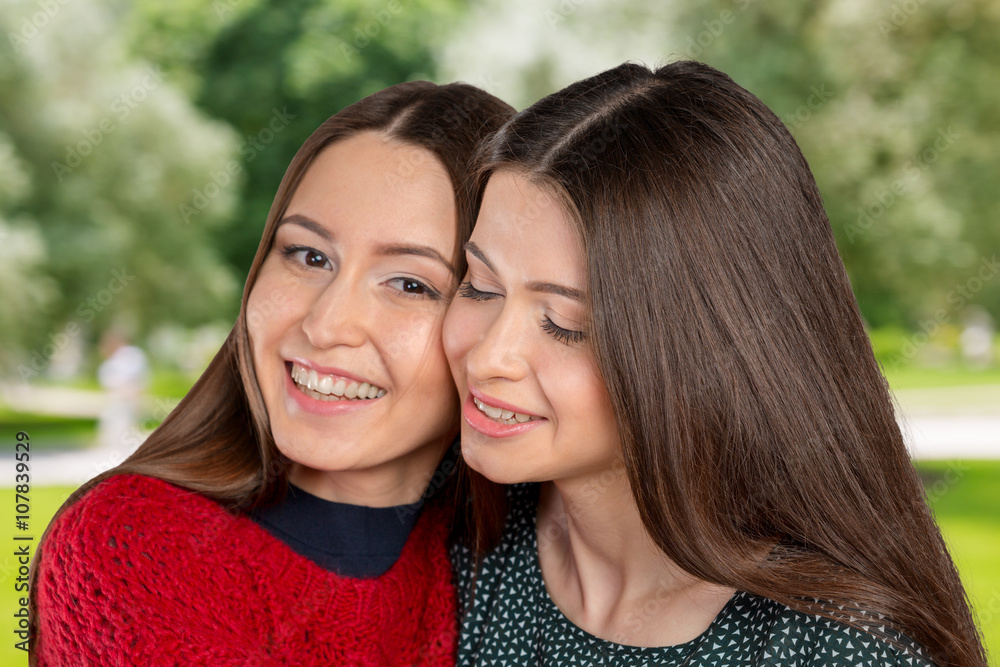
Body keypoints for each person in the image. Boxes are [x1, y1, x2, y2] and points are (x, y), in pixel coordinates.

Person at [444, 61, 986, 666]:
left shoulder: (837, 651)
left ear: (702, 352)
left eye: (568, 326)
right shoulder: (458, 542)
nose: (489, 356)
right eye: (481, 286)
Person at [31, 81, 512, 665]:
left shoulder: (517, 570)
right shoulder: (134, 545)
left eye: (410, 284)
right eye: (309, 256)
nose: (327, 323)